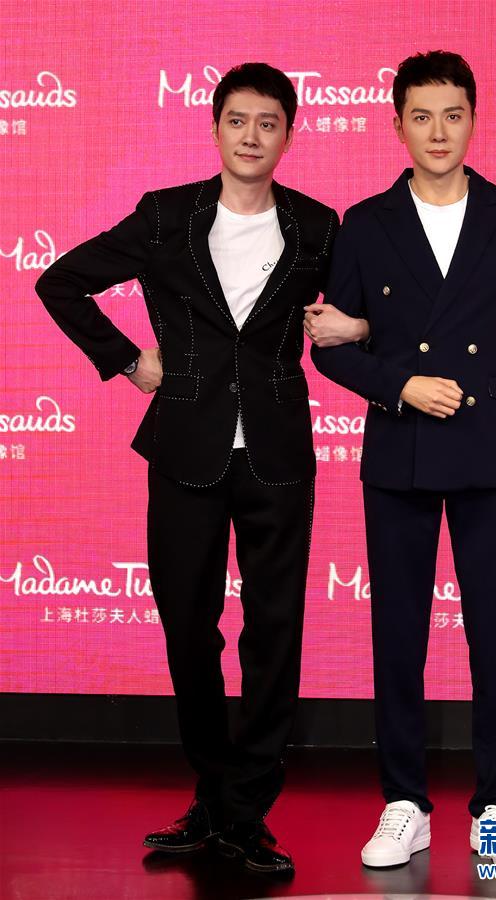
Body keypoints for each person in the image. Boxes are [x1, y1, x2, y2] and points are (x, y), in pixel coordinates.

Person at [35, 62, 366, 874]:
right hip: (184, 448)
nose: (252, 136)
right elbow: (61, 282)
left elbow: (368, 308)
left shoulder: (319, 226)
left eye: (268, 123)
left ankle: (245, 813)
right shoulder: (165, 216)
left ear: (289, 135)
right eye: (237, 121)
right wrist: (126, 361)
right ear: (214, 128)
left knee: (273, 634)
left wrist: (356, 328)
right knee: (188, 628)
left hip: (278, 456)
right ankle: (213, 797)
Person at [307, 50, 496, 868]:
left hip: (488, 451)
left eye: (452, 114)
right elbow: (329, 346)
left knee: (495, 636)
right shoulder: (365, 223)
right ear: (396, 124)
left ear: (473, 120)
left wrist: (489, 392)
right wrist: (401, 385)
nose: (437, 131)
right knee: (396, 634)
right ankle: (403, 803)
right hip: (399, 447)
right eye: (421, 116)